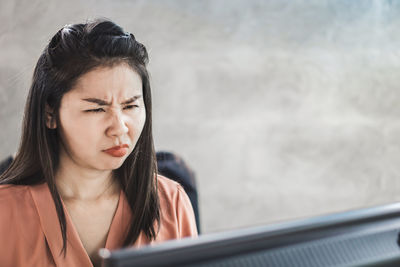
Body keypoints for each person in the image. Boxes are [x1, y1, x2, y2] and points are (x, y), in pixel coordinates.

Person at [0, 19, 197, 267]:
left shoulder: (172, 202)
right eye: (96, 109)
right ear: (50, 114)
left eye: (131, 106)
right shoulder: (4, 213)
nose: (120, 127)